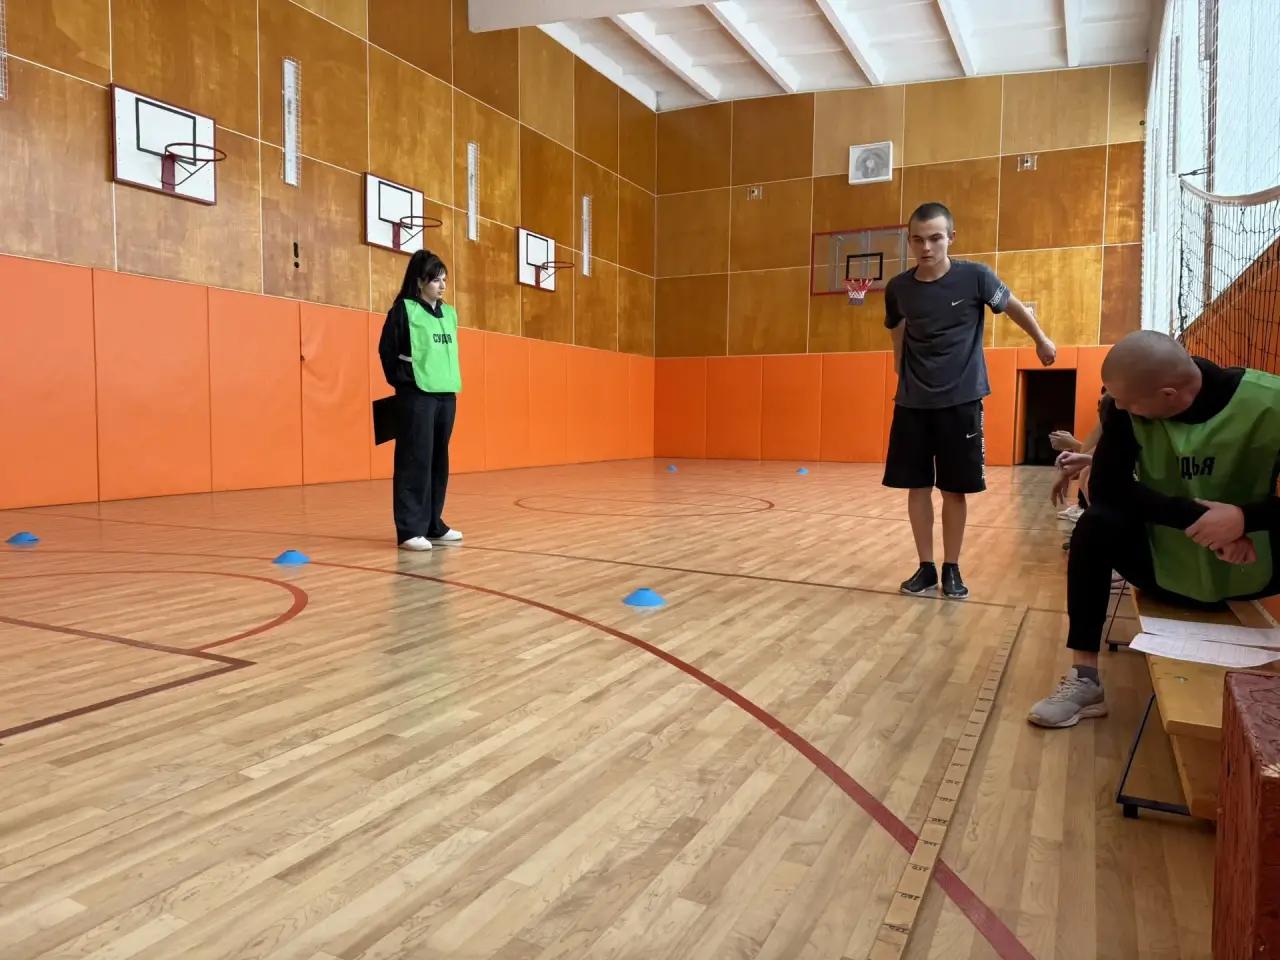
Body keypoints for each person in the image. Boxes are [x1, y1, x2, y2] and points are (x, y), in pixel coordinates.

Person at [1029, 331, 1280, 728]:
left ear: (1168, 394)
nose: (1118, 407)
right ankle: (1085, 678)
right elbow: (1108, 489)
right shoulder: (1124, 408)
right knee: (1094, 525)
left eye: (1127, 402)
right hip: (1161, 568)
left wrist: (1243, 519)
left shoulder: (1270, 402)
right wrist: (1202, 521)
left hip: (1254, 570)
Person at [884, 202, 1057, 599]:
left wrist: (1041, 339)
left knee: (953, 489)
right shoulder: (898, 288)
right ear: (909, 241)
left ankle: (952, 567)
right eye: (917, 240)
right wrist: (898, 365)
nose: (926, 247)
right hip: (912, 402)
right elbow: (897, 327)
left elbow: (1012, 306)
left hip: (960, 400)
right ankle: (925, 567)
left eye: (935, 238)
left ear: (951, 238)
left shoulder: (975, 277)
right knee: (916, 487)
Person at [377, 249, 463, 552]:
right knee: (414, 460)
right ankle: (410, 530)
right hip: (417, 396)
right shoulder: (404, 311)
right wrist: (405, 382)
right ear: (419, 281)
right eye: (435, 280)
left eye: (444, 280)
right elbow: (387, 351)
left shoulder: (449, 314)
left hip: (446, 396)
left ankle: (432, 524)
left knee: (438, 460)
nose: (442, 286)